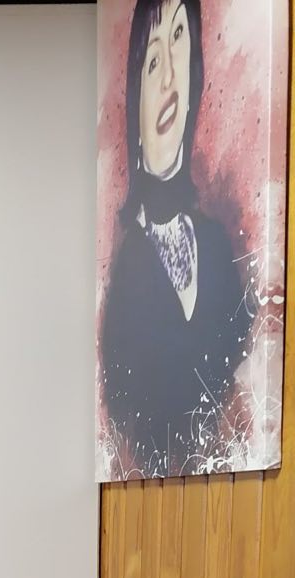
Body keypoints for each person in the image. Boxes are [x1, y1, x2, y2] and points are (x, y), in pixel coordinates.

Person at [100, 0, 252, 477]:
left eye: (179, 40)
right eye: (151, 61)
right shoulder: (125, 281)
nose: (168, 74)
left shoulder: (218, 247)